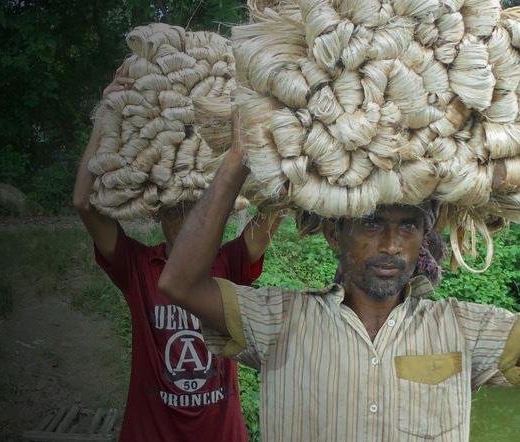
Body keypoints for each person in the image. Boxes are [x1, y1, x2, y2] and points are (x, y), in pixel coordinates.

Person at [158, 111, 520, 441]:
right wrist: (238, 161)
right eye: (371, 224)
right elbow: (180, 284)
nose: (392, 245)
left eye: (408, 226)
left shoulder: (464, 329)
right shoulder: (278, 321)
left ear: (422, 238)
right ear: (335, 235)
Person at [73, 67, 282, 441]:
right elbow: (84, 204)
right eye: (174, 210)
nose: (187, 221)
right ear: (156, 211)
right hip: (151, 432)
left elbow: (275, 210)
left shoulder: (229, 264)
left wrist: (271, 124)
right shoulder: (137, 267)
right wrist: (106, 117)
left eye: (197, 207)